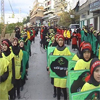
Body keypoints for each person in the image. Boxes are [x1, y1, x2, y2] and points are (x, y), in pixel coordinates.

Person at [53, 35, 71, 100]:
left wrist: (68, 69)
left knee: (64, 89)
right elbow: (53, 60)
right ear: (57, 41)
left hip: (64, 72)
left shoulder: (66, 49)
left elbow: (70, 60)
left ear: (63, 41)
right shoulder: (55, 49)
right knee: (58, 88)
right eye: (59, 40)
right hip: (57, 72)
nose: (60, 42)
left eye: (61, 40)